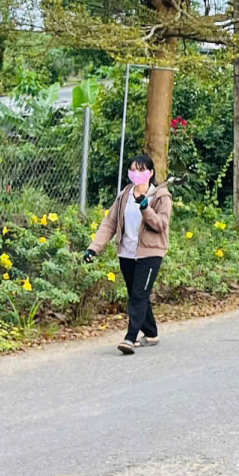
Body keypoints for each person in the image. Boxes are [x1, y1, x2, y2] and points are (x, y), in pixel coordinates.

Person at [83, 152, 172, 355]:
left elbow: (161, 225)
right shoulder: (124, 195)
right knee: (136, 293)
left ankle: (130, 338)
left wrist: (145, 209)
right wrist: (94, 248)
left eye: (140, 170)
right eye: (132, 169)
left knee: (139, 295)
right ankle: (151, 333)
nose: (136, 173)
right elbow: (110, 223)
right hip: (127, 253)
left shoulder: (161, 196)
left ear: (150, 173)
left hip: (150, 253)